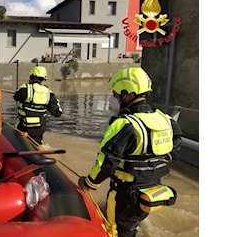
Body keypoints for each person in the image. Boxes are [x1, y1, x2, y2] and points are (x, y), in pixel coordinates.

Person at [78, 67, 182, 237]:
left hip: (125, 194)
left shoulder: (124, 124)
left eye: (116, 95)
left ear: (129, 96)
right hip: (153, 191)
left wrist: (89, 183)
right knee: (131, 225)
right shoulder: (166, 120)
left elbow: (105, 164)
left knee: (116, 231)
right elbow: (174, 153)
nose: (112, 99)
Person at [13, 66, 62, 145]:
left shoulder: (25, 88)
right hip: (39, 127)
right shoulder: (49, 93)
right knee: (37, 144)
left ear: (31, 76)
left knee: (17, 140)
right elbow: (57, 113)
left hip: (24, 125)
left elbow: (16, 97)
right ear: (43, 78)